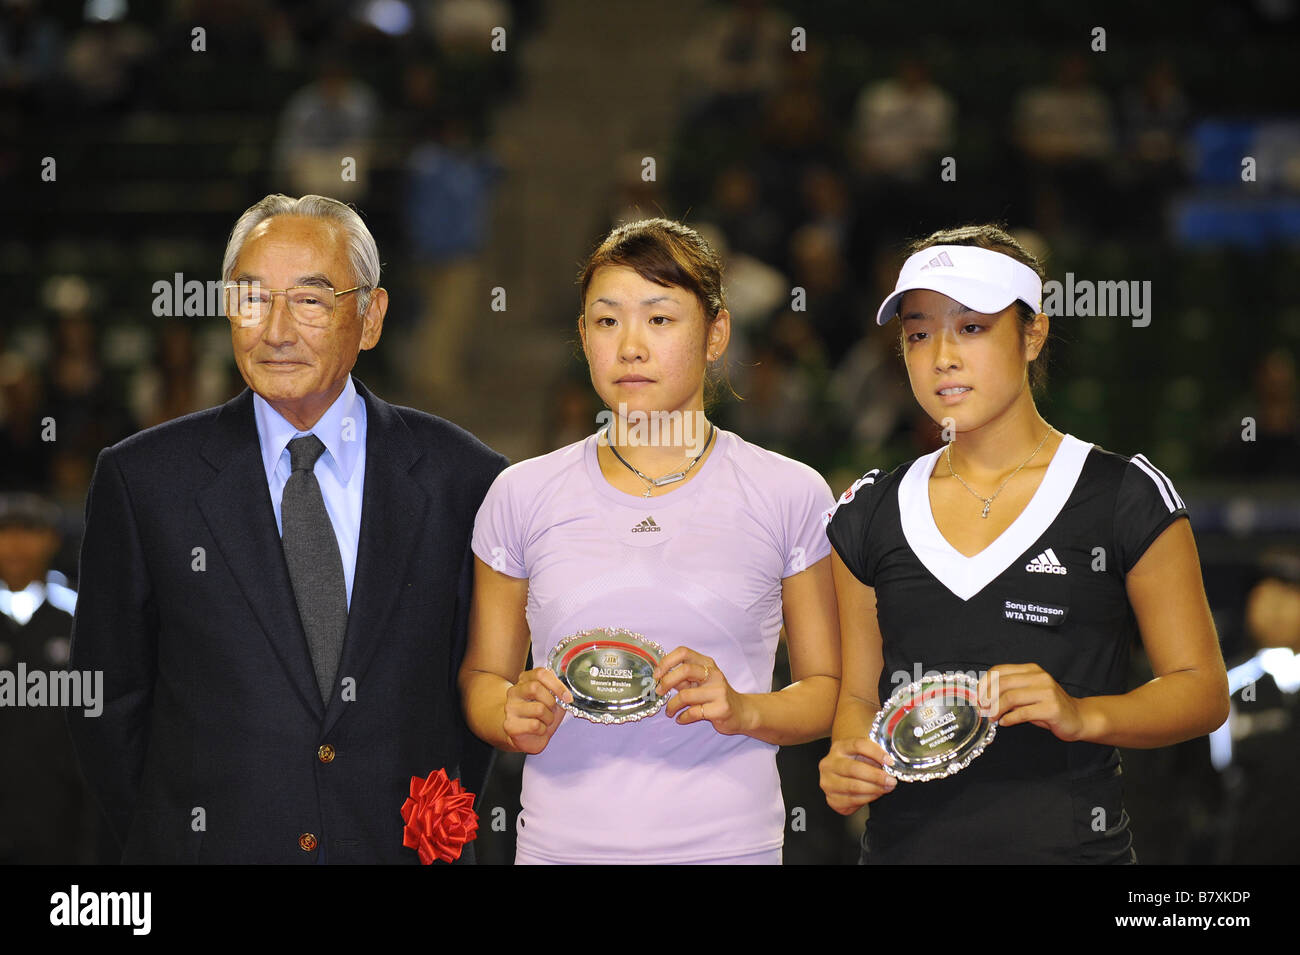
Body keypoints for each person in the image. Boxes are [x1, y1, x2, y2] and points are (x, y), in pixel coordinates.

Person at [66, 194, 506, 864]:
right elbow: (106, 703)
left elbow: (483, 692)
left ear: (372, 317)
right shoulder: (143, 481)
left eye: (310, 299)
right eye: (251, 298)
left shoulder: (465, 479)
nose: (275, 329)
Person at [818, 224, 1229, 864]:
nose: (941, 357)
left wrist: (1084, 715)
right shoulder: (868, 509)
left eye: (972, 328)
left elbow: (1201, 690)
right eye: (918, 334)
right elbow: (860, 696)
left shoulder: (1123, 495)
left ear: (1032, 334)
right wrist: (848, 757)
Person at [460, 218, 840, 864]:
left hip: (730, 851)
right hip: (557, 850)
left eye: (659, 320)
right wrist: (507, 711)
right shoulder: (520, 495)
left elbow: (829, 688)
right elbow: (481, 677)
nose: (630, 346)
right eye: (607, 322)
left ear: (716, 333)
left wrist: (743, 709)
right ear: (584, 338)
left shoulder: (790, 493)